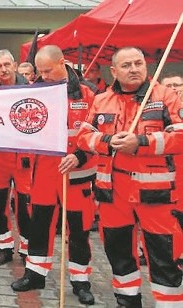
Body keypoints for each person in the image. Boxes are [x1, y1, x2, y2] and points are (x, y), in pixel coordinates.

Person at [76, 47, 183, 308]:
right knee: (119, 255)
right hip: (113, 194)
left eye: (138, 63)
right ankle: (127, 301)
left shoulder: (165, 96)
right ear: (113, 71)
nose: (134, 69)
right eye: (126, 65)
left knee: (164, 259)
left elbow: (180, 136)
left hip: (155, 197)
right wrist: (109, 141)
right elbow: (83, 136)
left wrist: (141, 142)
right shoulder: (102, 100)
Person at [10, 45, 97, 305]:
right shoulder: (34, 91)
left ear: (63, 63)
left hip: (77, 173)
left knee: (79, 231)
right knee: (40, 226)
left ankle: (81, 281)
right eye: (40, 71)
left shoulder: (87, 93)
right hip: (43, 173)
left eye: (48, 70)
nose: (44, 75)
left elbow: (95, 134)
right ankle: (35, 273)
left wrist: (80, 156)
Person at [0, 49, 33, 266]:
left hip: (25, 157)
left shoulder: (33, 91)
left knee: (25, 205)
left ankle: (26, 248)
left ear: (15, 65)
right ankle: (3, 247)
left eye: (7, 64)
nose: (3, 69)